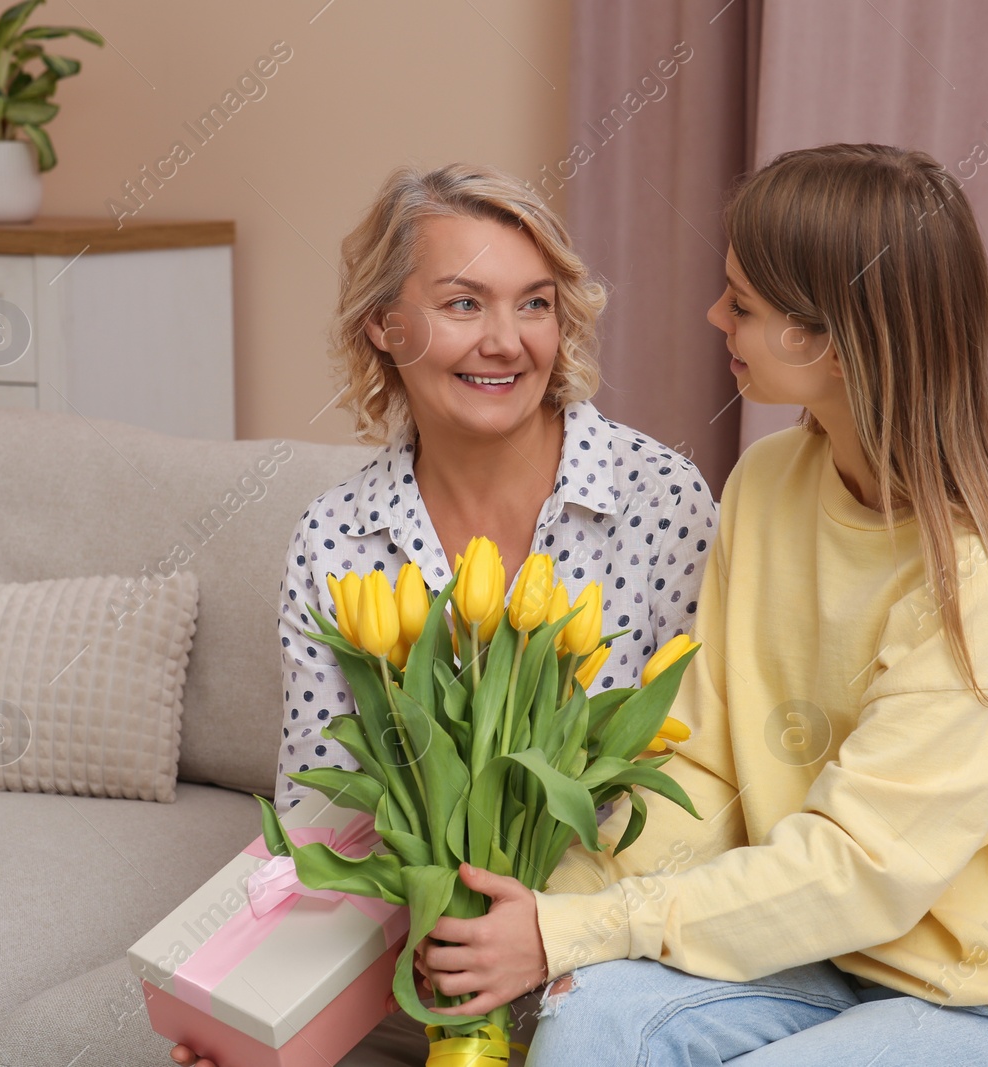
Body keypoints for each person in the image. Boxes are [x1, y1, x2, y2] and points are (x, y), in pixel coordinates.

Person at [408, 143, 988, 1067]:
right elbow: (705, 764)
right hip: (822, 952)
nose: (714, 316)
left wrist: (587, 928)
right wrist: (551, 908)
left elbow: (865, 870)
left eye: (741, 302)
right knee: (591, 1020)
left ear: (826, 338)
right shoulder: (769, 481)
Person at [169, 162, 716, 1067]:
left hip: (616, 966)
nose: (507, 341)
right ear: (385, 326)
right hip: (426, 972)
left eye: (534, 305)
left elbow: (708, 783)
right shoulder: (337, 536)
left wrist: (554, 930)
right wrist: (254, 1008)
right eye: (465, 304)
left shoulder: (658, 496)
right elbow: (321, 806)